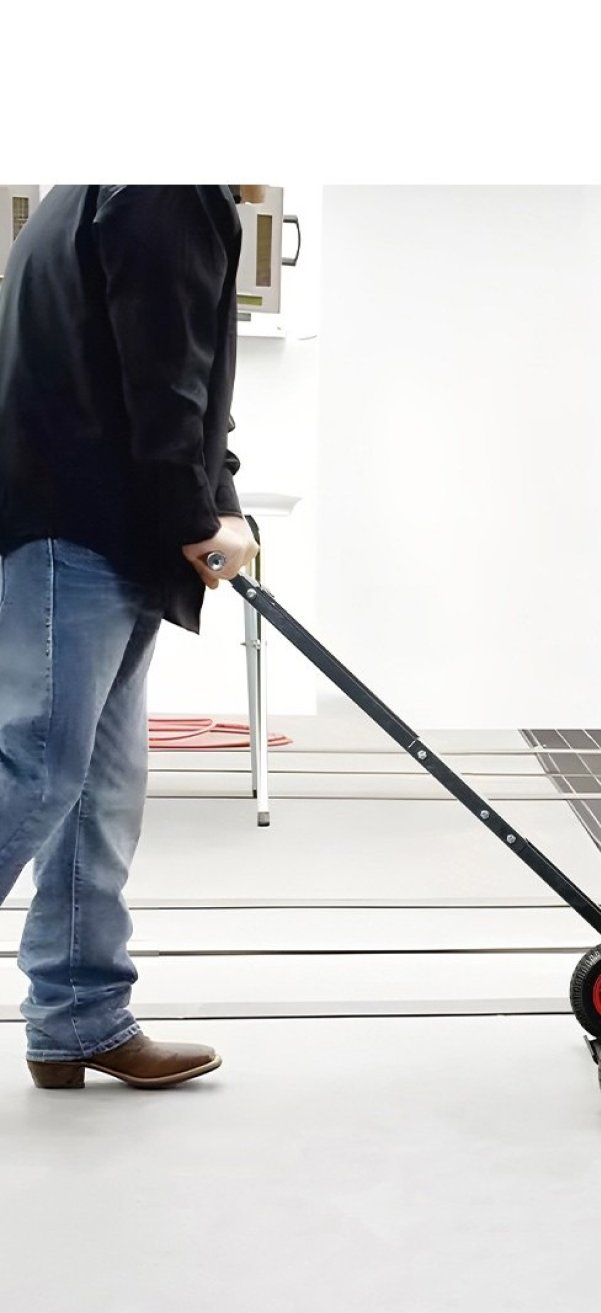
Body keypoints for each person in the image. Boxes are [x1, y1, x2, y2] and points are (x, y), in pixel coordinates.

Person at [0, 185, 262, 1089]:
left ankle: (79, 1019)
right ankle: (78, 1016)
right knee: (35, 772)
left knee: (97, 791)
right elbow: (165, 372)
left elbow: (175, 372)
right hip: (75, 525)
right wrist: (198, 515)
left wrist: (216, 500)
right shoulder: (162, 180)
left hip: (99, 530)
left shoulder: (97, 181)